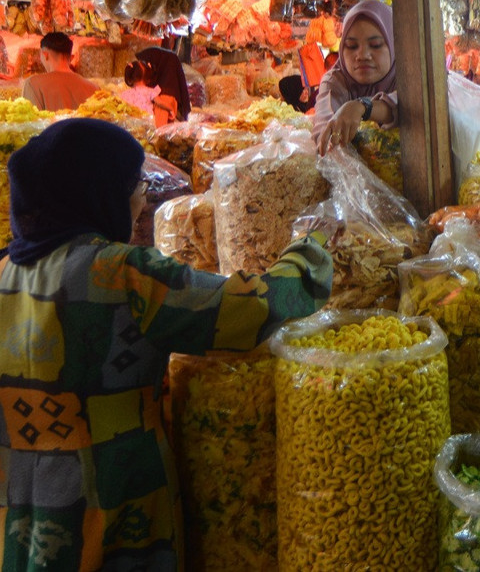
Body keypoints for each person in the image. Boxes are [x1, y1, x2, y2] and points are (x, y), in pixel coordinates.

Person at [0, 117, 332, 570]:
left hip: (23, 514)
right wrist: (310, 247)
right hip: (114, 508)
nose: (141, 196)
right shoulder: (121, 273)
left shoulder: (4, 272)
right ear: (98, 192)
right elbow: (249, 312)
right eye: (133, 182)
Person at [313, 0, 397, 156]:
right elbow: (324, 129)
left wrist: (363, 107)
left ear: (393, 45)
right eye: (351, 46)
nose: (362, 56)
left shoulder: (408, 74)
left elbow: (410, 107)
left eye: (375, 45)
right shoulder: (335, 80)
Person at [22, 31, 96, 111]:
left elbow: (30, 121)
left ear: (45, 55)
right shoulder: (93, 88)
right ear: (71, 57)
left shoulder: (33, 84)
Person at [135, 47, 191, 122]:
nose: (145, 72)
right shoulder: (162, 91)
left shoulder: (164, 98)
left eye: (147, 66)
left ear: (157, 67)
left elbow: (158, 130)